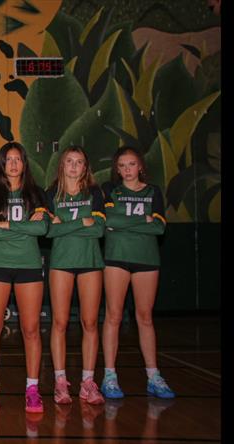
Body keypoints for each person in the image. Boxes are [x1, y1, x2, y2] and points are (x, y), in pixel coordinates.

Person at [100, 146, 174, 399]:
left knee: (145, 317)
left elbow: (160, 227)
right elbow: (108, 220)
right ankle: (109, 376)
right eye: (122, 166)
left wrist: (125, 222)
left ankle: (153, 375)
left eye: (131, 164)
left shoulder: (153, 192)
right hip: (116, 257)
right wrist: (144, 221)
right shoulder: (110, 190)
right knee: (113, 316)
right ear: (117, 169)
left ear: (140, 166)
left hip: (146, 259)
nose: (127, 170)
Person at [0, 142, 48, 413]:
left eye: (18, 159)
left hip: (28, 266)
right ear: (1, 164)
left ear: (24, 163)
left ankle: (32, 388)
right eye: (8, 159)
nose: (13, 164)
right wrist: (25, 227)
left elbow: (42, 229)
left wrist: (4, 224)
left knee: (31, 329)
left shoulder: (36, 193)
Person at [45, 146, 106, 405]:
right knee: (59, 323)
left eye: (79, 162)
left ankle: (87, 382)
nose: (73, 166)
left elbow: (99, 229)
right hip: (61, 263)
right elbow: (49, 231)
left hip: (90, 262)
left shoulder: (95, 193)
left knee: (90, 323)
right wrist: (83, 222)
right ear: (62, 165)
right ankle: (60, 382)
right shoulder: (51, 194)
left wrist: (66, 226)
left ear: (85, 167)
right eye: (69, 161)